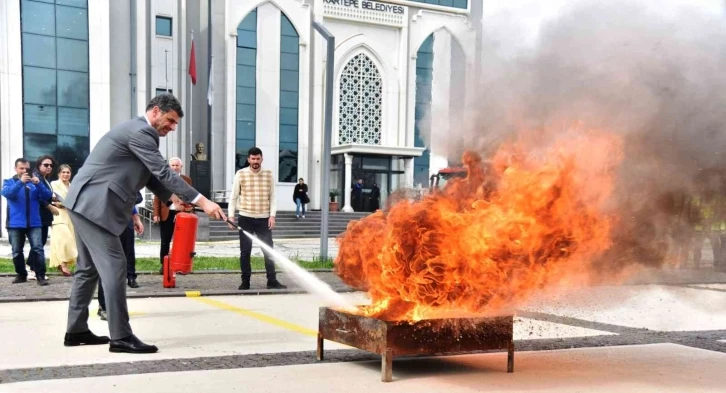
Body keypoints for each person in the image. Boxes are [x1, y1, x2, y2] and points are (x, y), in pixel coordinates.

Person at [62, 93, 226, 354]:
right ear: (156, 111)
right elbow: (162, 171)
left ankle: (76, 330)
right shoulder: (142, 132)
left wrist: (173, 201)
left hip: (84, 203)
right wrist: (204, 201)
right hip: (95, 206)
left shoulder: (137, 133)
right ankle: (121, 337)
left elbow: (149, 175)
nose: (172, 128)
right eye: (171, 121)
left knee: (88, 269)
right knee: (115, 266)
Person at [228, 147, 287, 290]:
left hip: (264, 219)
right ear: (248, 159)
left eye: (258, 159)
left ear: (262, 159)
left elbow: (272, 197)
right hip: (245, 218)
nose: (255, 161)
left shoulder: (269, 174)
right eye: (253, 159)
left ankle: (272, 281)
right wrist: (231, 216)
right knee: (245, 252)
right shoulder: (240, 174)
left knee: (268, 251)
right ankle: (245, 281)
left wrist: (272, 215)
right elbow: (233, 197)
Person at [1, 158, 51, 285]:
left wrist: (39, 183)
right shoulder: (9, 181)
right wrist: (20, 183)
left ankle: (40, 276)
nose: (24, 171)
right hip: (15, 223)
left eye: (26, 168)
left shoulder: (35, 183)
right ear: (15, 169)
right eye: (21, 168)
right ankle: (21, 274)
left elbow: (47, 196)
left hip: (34, 222)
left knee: (38, 249)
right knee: (17, 250)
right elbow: (7, 193)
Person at [98, 201, 145, 320]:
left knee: (121, 265)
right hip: (106, 222)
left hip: (125, 221)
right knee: (107, 265)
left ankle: (114, 306)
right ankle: (104, 306)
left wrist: (136, 218)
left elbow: (130, 197)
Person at [153, 157, 193, 274]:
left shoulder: (187, 180)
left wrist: (191, 209)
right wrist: (156, 213)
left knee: (181, 241)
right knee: (165, 241)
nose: (175, 167)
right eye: (173, 165)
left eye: (177, 165)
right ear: (169, 167)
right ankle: (164, 265)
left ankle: (180, 265)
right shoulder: (163, 179)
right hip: (166, 214)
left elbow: (190, 195)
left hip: (182, 214)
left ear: (181, 167)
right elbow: (157, 197)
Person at [27, 155, 56, 280]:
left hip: (43, 215)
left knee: (40, 242)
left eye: (51, 165)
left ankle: (32, 267)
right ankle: (33, 269)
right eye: (46, 165)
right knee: (38, 243)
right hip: (38, 214)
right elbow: (37, 196)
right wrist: (49, 206)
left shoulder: (44, 178)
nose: (49, 167)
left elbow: (47, 195)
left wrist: (53, 201)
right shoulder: (35, 177)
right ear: (39, 165)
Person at [49, 164, 76, 276]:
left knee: (71, 240)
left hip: (70, 216)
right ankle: (63, 264)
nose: (65, 174)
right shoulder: (54, 184)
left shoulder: (72, 185)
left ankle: (63, 263)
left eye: (68, 172)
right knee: (64, 239)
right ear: (59, 173)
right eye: (63, 172)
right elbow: (55, 199)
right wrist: (63, 204)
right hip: (58, 215)